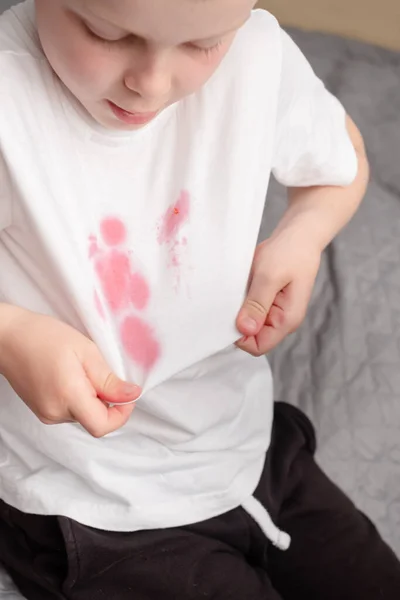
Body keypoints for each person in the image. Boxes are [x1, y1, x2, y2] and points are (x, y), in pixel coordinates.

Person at [0, 0, 399, 598]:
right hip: (92, 504)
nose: (150, 84)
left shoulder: (258, 56)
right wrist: (10, 333)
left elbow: (340, 160)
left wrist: (302, 236)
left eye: (201, 45)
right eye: (106, 33)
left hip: (249, 449)